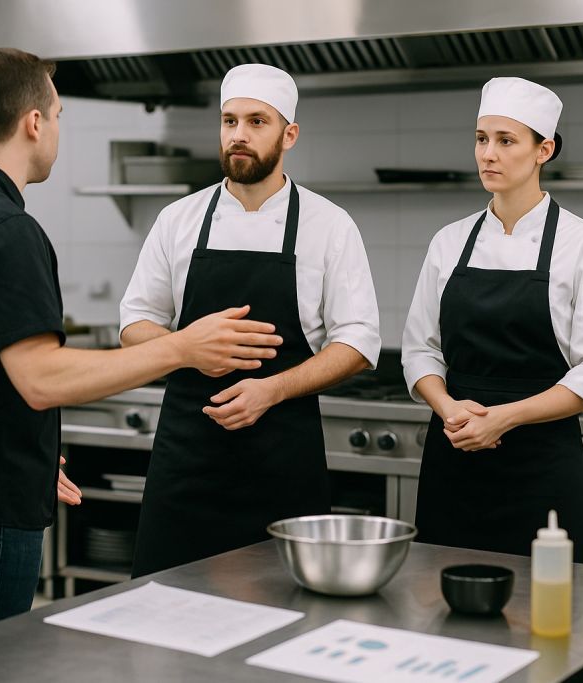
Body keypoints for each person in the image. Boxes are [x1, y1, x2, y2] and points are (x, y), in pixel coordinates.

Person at [0, 48, 282, 642]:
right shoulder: (6, 229)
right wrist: (183, 347)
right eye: (57, 115)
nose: (57, 128)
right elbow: (42, 379)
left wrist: (22, 455)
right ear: (33, 122)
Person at [120, 64, 381, 577]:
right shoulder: (179, 219)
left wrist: (272, 390)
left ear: (289, 135)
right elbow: (134, 322)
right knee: (165, 604)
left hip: (281, 461)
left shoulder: (329, 225)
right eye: (230, 121)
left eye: (257, 122)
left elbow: (359, 341)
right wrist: (187, 348)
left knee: (286, 609)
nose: (238, 134)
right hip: (186, 462)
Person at [401, 77, 583, 564]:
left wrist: (504, 418)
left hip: (541, 468)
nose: (488, 154)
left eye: (506, 141)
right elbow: (420, 349)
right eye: (482, 139)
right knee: (439, 596)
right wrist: (447, 407)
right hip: (454, 457)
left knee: (548, 604)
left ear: (544, 150)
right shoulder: (448, 242)